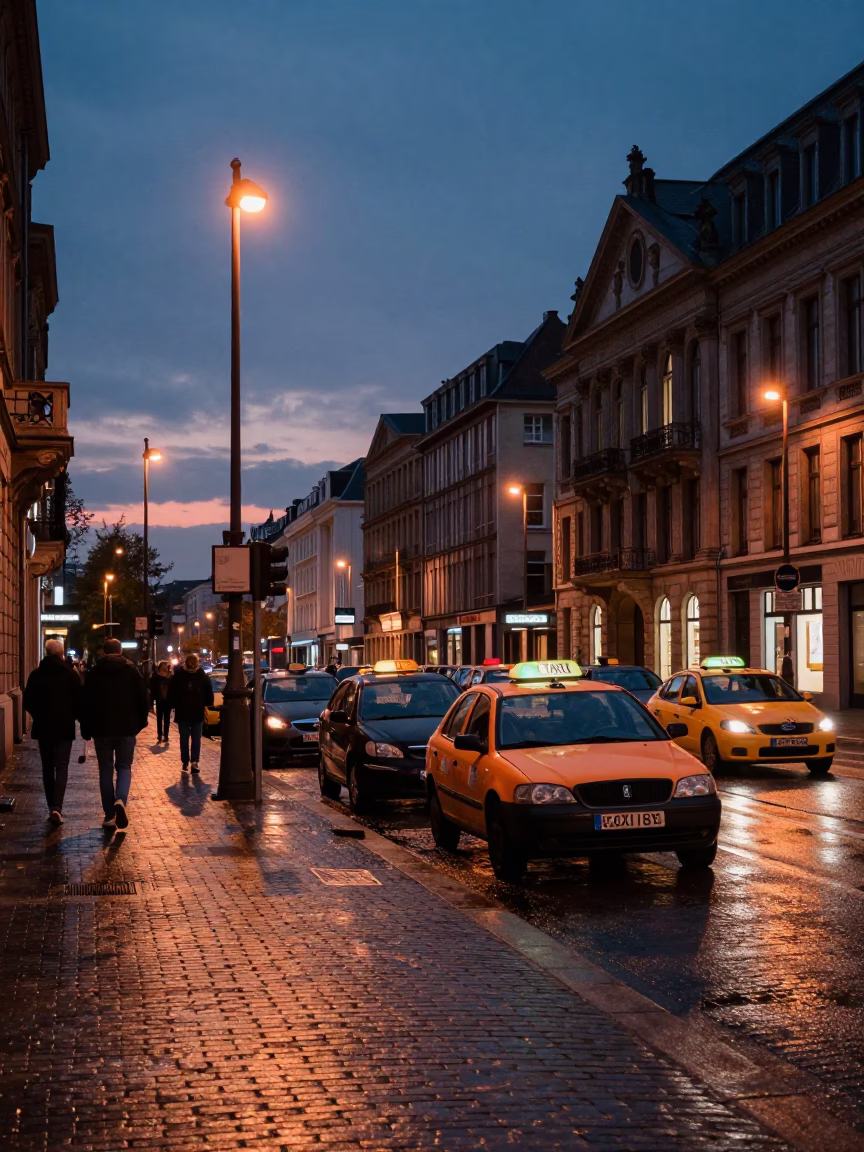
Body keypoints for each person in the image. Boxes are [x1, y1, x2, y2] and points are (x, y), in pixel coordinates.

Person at [80, 637, 150, 829]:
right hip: (127, 728)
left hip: (101, 729)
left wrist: (86, 728)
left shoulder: (95, 672)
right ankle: (121, 799)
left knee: (105, 770)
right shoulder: (131, 671)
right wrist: (140, 723)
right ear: (120, 651)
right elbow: (144, 698)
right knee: (124, 767)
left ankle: (109, 815)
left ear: (104, 652)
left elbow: (85, 702)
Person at [23, 638, 81, 825]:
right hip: (64, 727)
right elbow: (79, 702)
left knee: (47, 767)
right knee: (62, 766)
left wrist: (38, 715)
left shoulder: (36, 675)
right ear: (61, 654)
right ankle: (57, 807)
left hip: (44, 727)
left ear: (47, 653)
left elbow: (27, 702)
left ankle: (51, 807)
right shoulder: (71, 675)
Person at [168, 653, 213, 773]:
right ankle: (192, 761)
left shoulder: (179, 676)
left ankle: (188, 761)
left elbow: (172, 692)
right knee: (194, 737)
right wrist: (207, 703)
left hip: (185, 711)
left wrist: (173, 704)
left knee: (187, 737)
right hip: (194, 711)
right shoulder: (201, 675)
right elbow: (209, 693)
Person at [149, 660, 173, 744]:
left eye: (166, 666)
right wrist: (151, 703)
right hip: (159, 701)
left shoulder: (170, 677)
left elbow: (174, 690)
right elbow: (152, 691)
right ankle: (159, 734)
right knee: (159, 718)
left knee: (167, 719)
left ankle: (166, 735)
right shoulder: (155, 678)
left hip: (168, 701)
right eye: (163, 666)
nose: (164, 668)